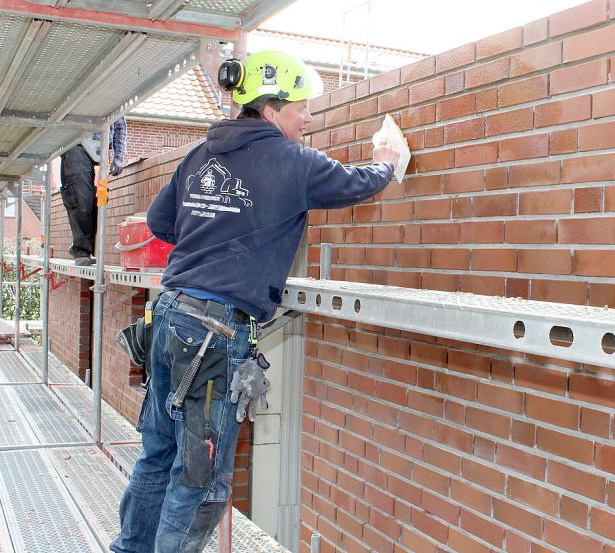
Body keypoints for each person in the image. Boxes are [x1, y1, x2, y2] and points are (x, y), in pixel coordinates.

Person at [110, 51, 400, 553]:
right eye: (300, 107)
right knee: (199, 479)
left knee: (157, 454)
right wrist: (390, 163)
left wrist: (213, 230)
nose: (307, 117)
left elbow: (160, 224)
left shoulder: (200, 155)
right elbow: (355, 183)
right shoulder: (291, 161)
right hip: (212, 334)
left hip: (170, 315)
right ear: (270, 111)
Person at [60, 117, 127, 266]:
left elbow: (120, 127)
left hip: (100, 153)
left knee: (98, 201)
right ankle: (81, 250)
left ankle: (88, 250)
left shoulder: (114, 98)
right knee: (80, 198)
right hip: (77, 147)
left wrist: (118, 157)